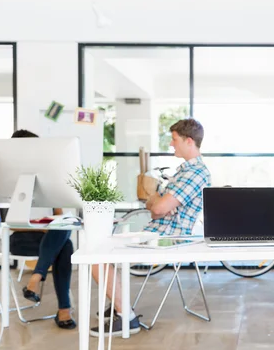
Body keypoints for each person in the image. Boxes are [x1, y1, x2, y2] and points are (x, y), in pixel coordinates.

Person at [90, 118, 211, 337]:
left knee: (97, 259)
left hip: (167, 239)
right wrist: (158, 203)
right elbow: (152, 204)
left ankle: (126, 317)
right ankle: (122, 307)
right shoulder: (184, 171)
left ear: (189, 141)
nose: (171, 144)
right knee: (102, 251)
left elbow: (158, 206)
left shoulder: (195, 173)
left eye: (174, 140)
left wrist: (159, 203)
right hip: (157, 233)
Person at [8, 129, 76, 330]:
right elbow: (9, 223)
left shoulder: (45, 176)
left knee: (64, 231)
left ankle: (37, 277)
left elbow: (59, 214)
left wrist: (49, 224)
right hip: (21, 238)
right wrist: (39, 228)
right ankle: (63, 309)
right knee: (65, 244)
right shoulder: (8, 177)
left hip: (48, 237)